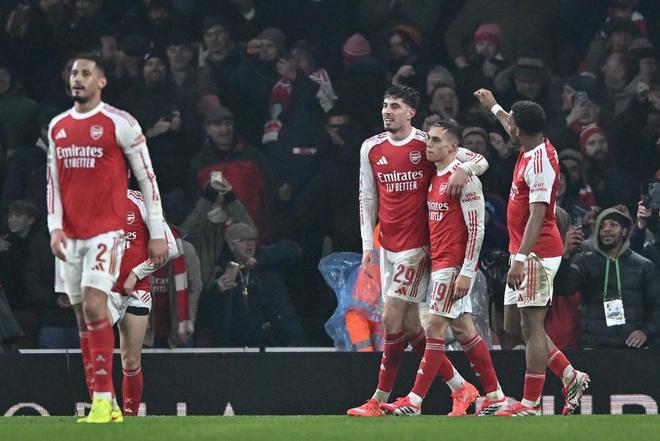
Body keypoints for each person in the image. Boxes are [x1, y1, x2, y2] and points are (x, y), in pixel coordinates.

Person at [347, 85, 490, 417]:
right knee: (411, 328)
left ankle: (378, 399)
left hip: (418, 247)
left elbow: (480, 160)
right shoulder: (371, 147)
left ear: (410, 113)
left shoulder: (428, 143)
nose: (387, 111)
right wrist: (368, 245)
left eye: (395, 106)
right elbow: (367, 197)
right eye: (385, 105)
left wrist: (464, 169)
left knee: (391, 319)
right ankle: (461, 387)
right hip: (388, 247)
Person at [47, 52, 168, 423]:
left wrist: (157, 231)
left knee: (98, 310)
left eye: (86, 73)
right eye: (73, 72)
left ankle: (106, 403)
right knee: (84, 320)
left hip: (106, 233)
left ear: (101, 81)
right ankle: (105, 402)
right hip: (72, 234)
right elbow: (53, 182)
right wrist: (54, 226)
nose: (77, 78)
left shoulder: (121, 123)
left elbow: (147, 177)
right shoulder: (58, 126)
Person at [474, 89, 589, 416]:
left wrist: (521, 260)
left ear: (518, 130)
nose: (508, 124)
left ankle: (531, 404)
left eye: (511, 121)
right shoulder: (531, 143)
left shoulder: (539, 163)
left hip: (536, 253)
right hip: (521, 249)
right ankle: (570, 375)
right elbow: (510, 123)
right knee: (514, 326)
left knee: (533, 326)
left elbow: (538, 215)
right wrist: (493, 106)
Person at [381, 120, 507, 416]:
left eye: (436, 141)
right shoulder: (435, 176)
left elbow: (476, 230)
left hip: (453, 266)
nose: (429, 145)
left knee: (434, 327)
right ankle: (496, 396)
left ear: (453, 147)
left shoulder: (464, 180)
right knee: (463, 328)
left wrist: (466, 272)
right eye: (428, 139)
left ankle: (414, 401)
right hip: (439, 262)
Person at [105, 190, 180, 416]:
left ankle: (130, 418)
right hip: (104, 290)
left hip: (136, 292)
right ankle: (103, 411)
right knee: (99, 354)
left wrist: (136, 273)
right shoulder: (93, 202)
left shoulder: (142, 202)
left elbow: (171, 247)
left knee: (130, 360)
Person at [554, 207, 660, 348]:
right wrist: (565, 254)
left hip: (631, 349)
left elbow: (656, 307)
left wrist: (645, 332)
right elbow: (564, 288)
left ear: (624, 231)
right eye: (602, 226)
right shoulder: (584, 261)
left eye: (613, 225)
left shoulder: (644, 266)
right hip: (592, 347)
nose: (606, 229)